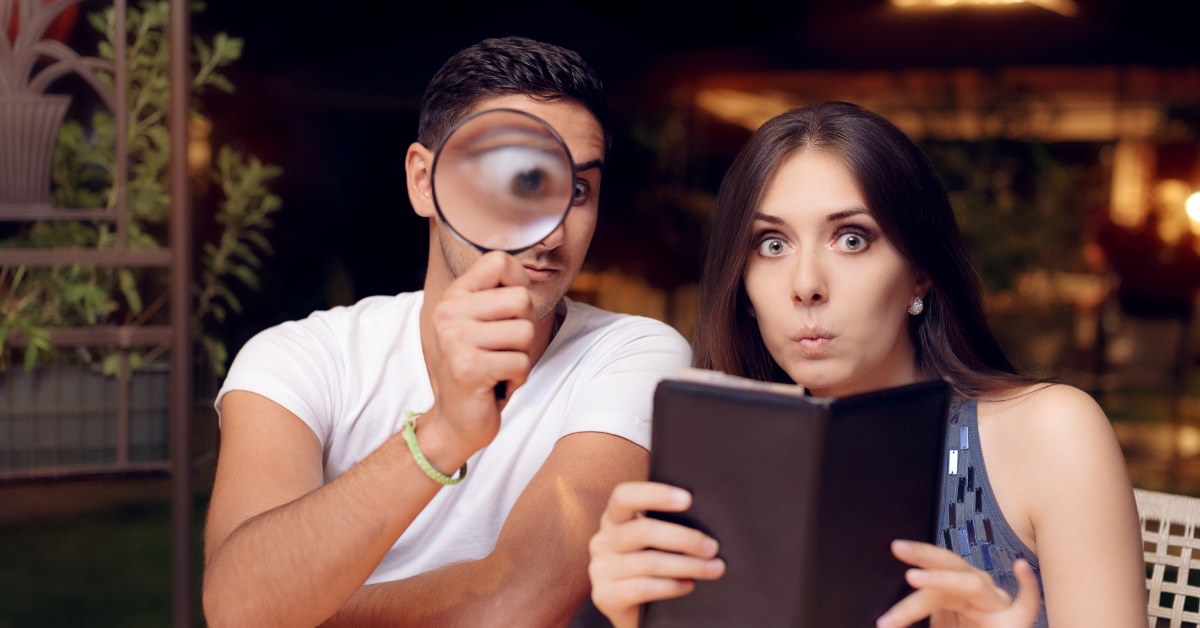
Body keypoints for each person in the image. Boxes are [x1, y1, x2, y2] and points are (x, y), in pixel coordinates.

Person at [586, 102, 1147, 627]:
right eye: (772, 244)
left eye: (851, 239)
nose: (805, 285)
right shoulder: (723, 462)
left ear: (920, 272)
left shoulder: (1047, 433)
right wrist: (634, 616)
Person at [201, 36, 691, 627]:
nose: (551, 231)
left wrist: (306, 607)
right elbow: (238, 608)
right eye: (515, 177)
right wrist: (441, 435)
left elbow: (515, 604)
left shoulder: (634, 354)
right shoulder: (300, 359)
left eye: (578, 189)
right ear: (423, 181)